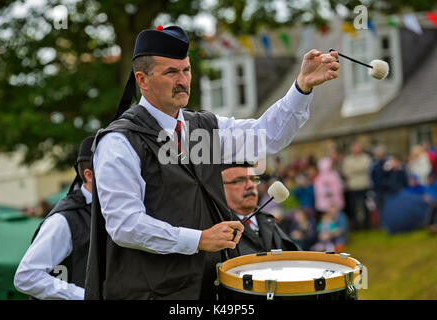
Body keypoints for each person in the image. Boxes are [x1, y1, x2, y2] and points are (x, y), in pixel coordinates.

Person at [85, 25, 340, 300]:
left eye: (186, 70)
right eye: (170, 72)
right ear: (142, 80)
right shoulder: (120, 141)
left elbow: (267, 137)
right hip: (146, 293)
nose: (183, 80)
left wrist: (301, 87)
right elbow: (125, 225)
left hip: (207, 289)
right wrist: (199, 240)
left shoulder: (203, 127)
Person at [14, 136, 94, 300]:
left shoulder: (111, 212)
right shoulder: (63, 220)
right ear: (89, 175)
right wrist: (86, 296)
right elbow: (27, 277)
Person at [222, 166, 299, 255]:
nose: (250, 185)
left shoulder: (267, 219)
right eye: (240, 180)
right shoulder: (219, 227)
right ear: (222, 188)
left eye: (254, 179)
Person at [341, 142, 371, 230]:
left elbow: (367, 169)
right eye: (354, 148)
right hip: (353, 188)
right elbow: (346, 172)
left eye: (357, 148)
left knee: (365, 208)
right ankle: (356, 227)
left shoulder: (366, 157)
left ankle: (366, 226)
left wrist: (353, 169)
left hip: (364, 186)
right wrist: (360, 169)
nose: (356, 150)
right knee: (354, 208)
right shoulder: (348, 159)